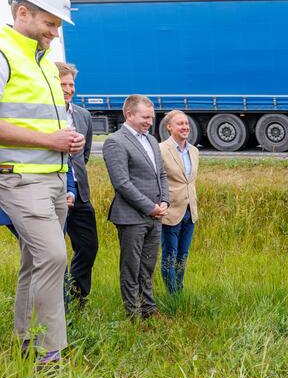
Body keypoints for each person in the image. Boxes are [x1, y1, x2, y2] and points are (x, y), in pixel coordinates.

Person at [0, 0, 85, 364]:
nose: (55, 32)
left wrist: (66, 138)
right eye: (50, 24)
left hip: (53, 178)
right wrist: (49, 141)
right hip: (19, 177)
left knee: (35, 262)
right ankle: (49, 353)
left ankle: (25, 344)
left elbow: (41, 122)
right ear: (22, 13)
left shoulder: (47, 65)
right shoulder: (3, 53)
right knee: (53, 257)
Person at [103, 95, 169, 319]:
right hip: (131, 217)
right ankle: (133, 314)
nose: (150, 121)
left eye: (152, 117)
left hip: (156, 215)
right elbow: (122, 183)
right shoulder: (115, 142)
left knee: (148, 266)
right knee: (131, 267)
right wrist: (149, 207)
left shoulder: (151, 140)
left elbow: (161, 174)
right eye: (145, 117)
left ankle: (148, 309)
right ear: (129, 114)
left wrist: (164, 202)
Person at [56, 62, 99, 308]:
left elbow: (84, 155)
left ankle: (77, 298)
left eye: (71, 84)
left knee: (88, 246)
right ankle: (59, 305)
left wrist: (75, 186)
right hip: (52, 193)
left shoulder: (83, 115)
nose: (69, 89)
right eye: (63, 84)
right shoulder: (45, 113)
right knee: (55, 253)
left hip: (80, 195)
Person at [159, 110, 199, 294]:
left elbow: (190, 181)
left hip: (190, 212)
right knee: (169, 256)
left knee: (183, 256)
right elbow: (157, 180)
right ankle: (172, 295)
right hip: (170, 212)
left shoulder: (194, 151)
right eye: (180, 124)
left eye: (186, 124)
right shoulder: (160, 150)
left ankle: (179, 291)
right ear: (169, 127)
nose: (185, 127)